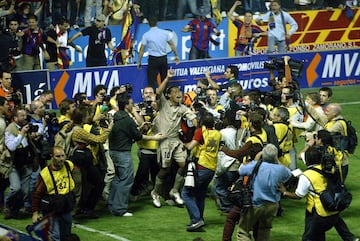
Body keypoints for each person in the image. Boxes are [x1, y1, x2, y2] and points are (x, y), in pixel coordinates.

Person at [279, 146, 356, 241]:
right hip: (334, 210)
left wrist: (285, 192)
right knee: (319, 236)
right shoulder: (329, 169)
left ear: (306, 161)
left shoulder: (306, 175)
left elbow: (298, 195)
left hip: (319, 214)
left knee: (308, 238)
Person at [108, 94, 165, 216]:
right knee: (125, 180)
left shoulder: (117, 116)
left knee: (118, 179)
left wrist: (139, 128)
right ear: (127, 105)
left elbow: (130, 133)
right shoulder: (127, 119)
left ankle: (112, 204)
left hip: (114, 151)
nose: (133, 105)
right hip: (122, 152)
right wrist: (154, 137)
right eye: (131, 103)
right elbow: (138, 136)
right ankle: (120, 209)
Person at [150, 69, 197, 208]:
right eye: (175, 92)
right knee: (164, 168)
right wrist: (167, 78)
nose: (178, 94)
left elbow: (193, 118)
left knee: (183, 164)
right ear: (169, 95)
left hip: (176, 141)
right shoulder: (163, 104)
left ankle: (175, 191)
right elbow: (158, 92)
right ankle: (155, 193)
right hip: (164, 141)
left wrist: (197, 123)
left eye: (179, 92)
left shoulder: (182, 108)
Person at [234, 144, 292, 241]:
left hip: (256, 203)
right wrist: (276, 160)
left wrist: (256, 160)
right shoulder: (280, 170)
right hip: (272, 205)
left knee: (243, 231)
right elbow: (289, 174)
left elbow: (241, 171)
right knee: (264, 230)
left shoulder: (256, 165)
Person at [182, 112, 222, 232]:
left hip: (201, 166)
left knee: (186, 193)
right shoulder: (217, 134)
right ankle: (200, 218)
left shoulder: (201, 131)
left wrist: (183, 144)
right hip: (212, 168)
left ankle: (196, 219)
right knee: (200, 194)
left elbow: (190, 147)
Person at [31, 146, 76, 241]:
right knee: (55, 236)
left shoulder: (68, 165)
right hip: (52, 209)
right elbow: (37, 194)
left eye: (63, 156)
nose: (61, 159)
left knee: (67, 234)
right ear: (52, 157)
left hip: (66, 206)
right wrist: (35, 212)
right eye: (58, 156)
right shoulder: (45, 174)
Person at [3, 107, 35, 219]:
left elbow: (27, 144)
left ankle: (15, 209)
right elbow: (11, 147)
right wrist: (21, 133)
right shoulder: (10, 129)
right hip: (13, 165)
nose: (25, 117)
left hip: (25, 163)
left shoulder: (25, 127)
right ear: (15, 118)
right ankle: (6, 203)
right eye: (22, 116)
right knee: (16, 188)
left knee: (25, 192)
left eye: (25, 115)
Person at [137, 17, 180, 90]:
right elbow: (172, 45)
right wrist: (176, 55)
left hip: (153, 60)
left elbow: (141, 50)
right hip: (163, 59)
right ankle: (165, 95)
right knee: (165, 80)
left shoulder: (146, 35)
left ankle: (153, 97)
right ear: (157, 23)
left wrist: (139, 61)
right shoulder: (165, 33)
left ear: (149, 24)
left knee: (152, 81)